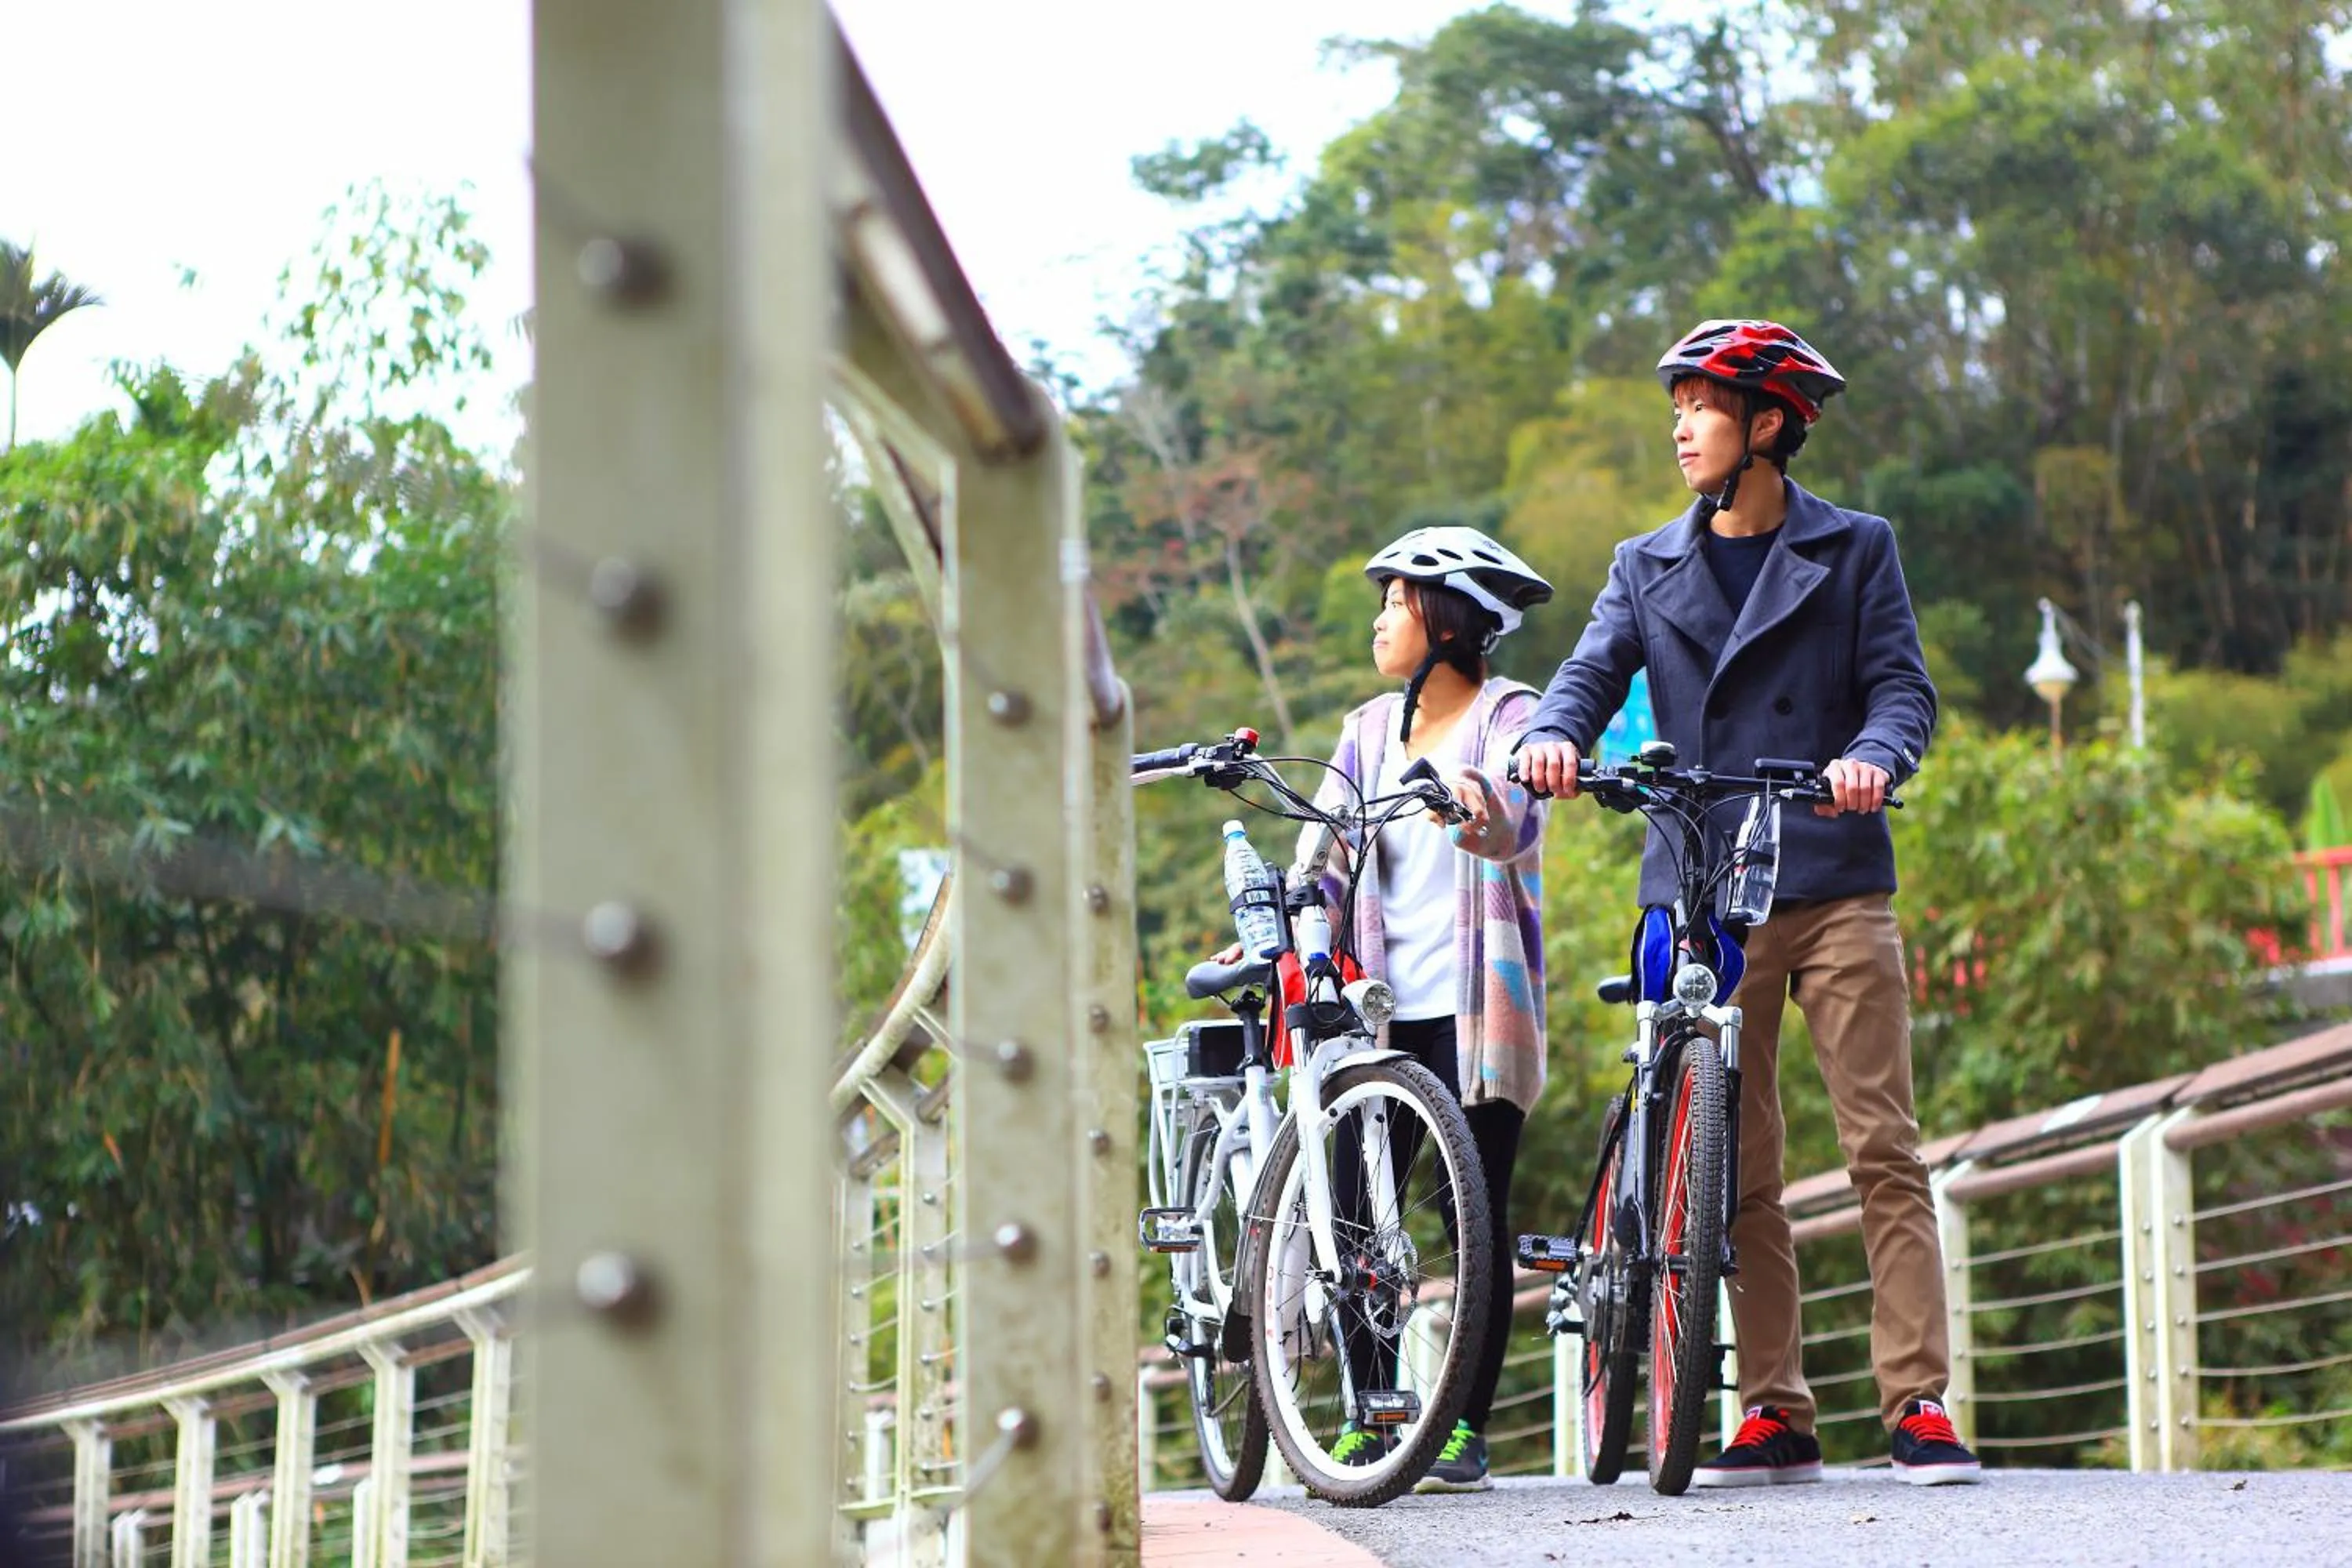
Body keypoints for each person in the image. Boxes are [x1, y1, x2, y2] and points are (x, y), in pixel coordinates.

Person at [1513, 319, 1982, 1486]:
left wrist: (1874, 755)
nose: (1679, 426)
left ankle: (1916, 1399)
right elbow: (1587, 672)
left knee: (1884, 1147)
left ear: (1766, 425)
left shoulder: (1856, 549)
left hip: (1831, 881)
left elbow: (1901, 691)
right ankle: (1776, 1406)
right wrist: (1552, 738)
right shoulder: (1643, 563)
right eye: (1675, 406)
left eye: (1701, 406)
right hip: (1703, 882)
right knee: (1739, 1164)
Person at [1224, 525, 1552, 1492]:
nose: (1378, 621)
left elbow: (1514, 815)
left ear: (1448, 622)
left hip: (1474, 1010)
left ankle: (1459, 1430)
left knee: (1473, 1215)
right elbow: (1319, 859)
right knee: (1361, 1214)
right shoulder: (1366, 731)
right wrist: (1285, 927)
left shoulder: (1509, 714)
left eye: (1394, 604)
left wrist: (1470, 803)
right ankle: (1374, 1417)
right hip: (1373, 1015)